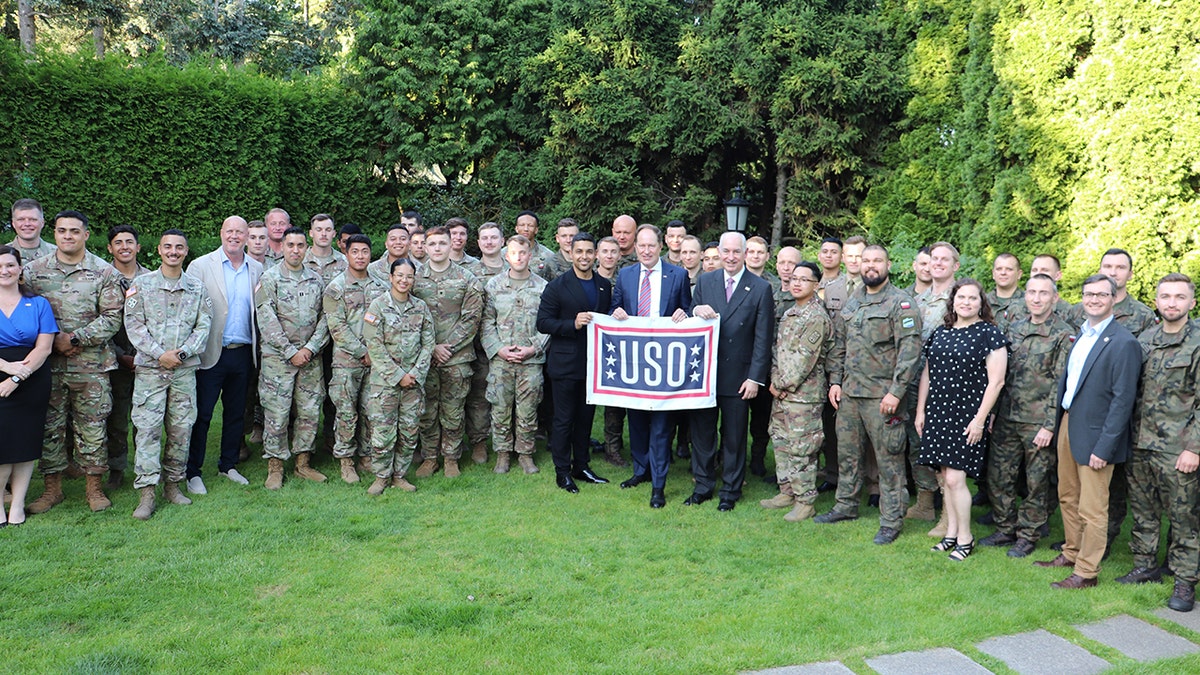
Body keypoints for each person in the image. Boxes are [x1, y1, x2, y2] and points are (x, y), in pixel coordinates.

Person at [1034, 274, 1141, 589]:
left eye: (1101, 294)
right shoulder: (1082, 335)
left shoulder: (1124, 342)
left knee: (1093, 507)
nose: (1094, 299)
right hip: (1069, 422)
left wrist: (1105, 447)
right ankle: (1071, 551)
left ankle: (1087, 572)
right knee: (1068, 495)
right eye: (1089, 294)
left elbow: (1123, 401)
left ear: (1113, 298)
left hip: (1097, 435)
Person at [816, 244, 922, 544]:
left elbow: (909, 353)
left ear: (888, 265)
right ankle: (846, 505)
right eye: (866, 261)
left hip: (883, 398)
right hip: (850, 394)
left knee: (889, 461)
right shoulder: (854, 301)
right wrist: (835, 382)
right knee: (848, 455)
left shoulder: (901, 303)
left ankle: (891, 520)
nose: (870, 266)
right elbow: (838, 345)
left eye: (877, 261)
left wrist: (896, 392)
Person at [24, 211, 124, 514]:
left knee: (92, 426)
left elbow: (113, 317)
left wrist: (76, 338)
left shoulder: (104, 272)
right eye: (62, 230)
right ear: (54, 233)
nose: (68, 236)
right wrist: (51, 340)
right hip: (46, 364)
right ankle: (52, 489)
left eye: (74, 231)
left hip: (90, 366)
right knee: (50, 427)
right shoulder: (32, 271)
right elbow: (20, 307)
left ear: (86, 235)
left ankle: (93, 488)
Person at [979, 274, 1074, 558]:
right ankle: (1005, 528)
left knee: (1037, 482)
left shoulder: (1063, 334)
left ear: (1054, 298)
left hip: (1038, 422)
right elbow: (1000, 375)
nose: (1036, 298)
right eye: (1031, 292)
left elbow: (1062, 384)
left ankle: (1028, 534)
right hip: (1008, 416)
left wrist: (1049, 425)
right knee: (999, 476)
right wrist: (994, 412)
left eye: (1043, 293)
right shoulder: (1013, 328)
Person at [1121, 273, 1200, 611]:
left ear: (1192, 302)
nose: (1172, 303)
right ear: (1156, 301)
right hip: (1140, 442)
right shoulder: (1146, 339)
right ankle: (1145, 565)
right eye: (1165, 296)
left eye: (1179, 297)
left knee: (1184, 516)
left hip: (1178, 447)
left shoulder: (1197, 342)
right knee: (1143, 510)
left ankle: (1184, 581)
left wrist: (1194, 448)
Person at [915, 279, 1008, 560]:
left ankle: (966, 538)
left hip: (967, 416)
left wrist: (980, 420)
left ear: (982, 303)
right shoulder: (940, 333)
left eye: (972, 298)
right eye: (961, 297)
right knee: (944, 477)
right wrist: (921, 411)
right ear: (952, 301)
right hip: (938, 412)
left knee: (956, 478)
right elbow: (927, 374)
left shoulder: (989, 334)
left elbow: (997, 382)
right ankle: (951, 534)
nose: (966, 302)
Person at [123, 230, 213, 520]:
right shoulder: (142, 285)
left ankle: (173, 485)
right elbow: (134, 325)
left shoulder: (197, 288)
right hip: (151, 370)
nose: (173, 252)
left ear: (186, 252)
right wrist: (159, 354)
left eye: (179, 247)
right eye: (168, 247)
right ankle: (147, 493)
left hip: (183, 372)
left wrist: (182, 354)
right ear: (159, 251)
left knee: (181, 429)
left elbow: (204, 326)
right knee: (147, 430)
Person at [687, 232, 774, 511]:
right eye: (726, 251)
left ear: (746, 253)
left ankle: (730, 491)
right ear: (719, 252)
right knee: (702, 434)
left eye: (737, 252)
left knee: (735, 437)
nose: (731, 257)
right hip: (706, 375)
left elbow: (763, 338)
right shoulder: (705, 281)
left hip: (740, 377)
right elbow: (691, 323)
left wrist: (755, 378)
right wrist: (695, 310)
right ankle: (702, 486)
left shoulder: (760, 288)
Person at [609, 225, 692, 508]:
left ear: (661, 247)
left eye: (651, 246)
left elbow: (689, 312)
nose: (645, 251)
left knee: (660, 426)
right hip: (635, 365)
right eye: (641, 246)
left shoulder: (678, 275)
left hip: (665, 366)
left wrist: (686, 314)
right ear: (635, 248)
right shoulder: (626, 275)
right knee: (637, 422)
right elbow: (614, 310)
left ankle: (659, 485)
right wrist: (615, 312)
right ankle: (640, 471)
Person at [185, 216, 262, 493]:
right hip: (210, 352)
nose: (234, 236)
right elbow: (189, 309)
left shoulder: (257, 268)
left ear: (247, 236)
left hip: (242, 353)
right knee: (202, 414)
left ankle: (228, 464)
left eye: (240, 232)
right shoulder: (201, 266)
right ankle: (192, 471)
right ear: (221, 233)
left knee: (235, 414)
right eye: (229, 231)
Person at [536, 232, 613, 493]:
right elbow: (543, 323)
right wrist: (572, 323)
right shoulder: (557, 286)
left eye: (589, 252)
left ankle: (582, 465)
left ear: (595, 254)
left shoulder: (604, 285)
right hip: (565, 365)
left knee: (585, 418)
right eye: (579, 251)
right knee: (563, 419)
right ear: (571, 252)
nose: (584, 256)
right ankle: (562, 471)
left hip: (593, 366)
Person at [256, 227, 329, 489]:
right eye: (291, 245)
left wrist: (309, 349)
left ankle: (303, 463)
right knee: (277, 412)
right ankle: (275, 466)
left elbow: (326, 318)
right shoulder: (269, 278)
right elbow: (266, 319)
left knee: (309, 412)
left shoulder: (316, 280)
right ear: (282, 248)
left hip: (310, 359)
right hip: (278, 360)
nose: (295, 250)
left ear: (306, 248)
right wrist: (290, 352)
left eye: (300, 245)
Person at [411, 226, 486, 478]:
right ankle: (430, 457)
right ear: (424, 247)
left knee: (453, 410)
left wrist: (447, 347)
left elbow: (472, 318)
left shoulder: (467, 279)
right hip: (424, 357)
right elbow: (409, 317)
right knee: (427, 410)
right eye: (432, 245)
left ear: (450, 244)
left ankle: (452, 457)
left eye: (442, 243)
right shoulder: (414, 278)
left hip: (457, 357)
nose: (438, 249)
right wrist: (431, 348)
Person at [760, 262, 832, 522]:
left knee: (802, 447)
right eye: (793, 279)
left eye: (804, 279)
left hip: (804, 395)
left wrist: (781, 384)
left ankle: (805, 500)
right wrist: (775, 380)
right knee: (780, 440)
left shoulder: (816, 317)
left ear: (816, 285)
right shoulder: (790, 313)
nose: (797, 283)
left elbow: (805, 359)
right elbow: (778, 352)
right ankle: (787, 490)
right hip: (782, 392)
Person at [362, 259, 435, 494]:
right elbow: (375, 346)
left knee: (408, 430)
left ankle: (399, 475)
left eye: (409, 276)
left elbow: (428, 342)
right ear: (391, 277)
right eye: (400, 276)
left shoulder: (421, 307)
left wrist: (414, 373)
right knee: (383, 431)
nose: (404, 280)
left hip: (413, 383)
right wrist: (397, 375)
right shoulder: (378, 306)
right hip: (385, 384)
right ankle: (381, 476)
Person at [481, 235, 550, 475]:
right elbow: (487, 323)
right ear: (506, 256)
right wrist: (498, 348)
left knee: (528, 409)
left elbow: (547, 325)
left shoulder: (542, 287)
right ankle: (502, 454)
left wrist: (533, 348)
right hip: (501, 360)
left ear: (530, 256)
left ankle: (525, 453)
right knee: (500, 407)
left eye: (523, 253)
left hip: (530, 360)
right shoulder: (493, 286)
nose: (519, 257)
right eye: (514, 253)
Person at [323, 234, 388, 483]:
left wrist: (376, 353)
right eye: (355, 252)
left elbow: (385, 323)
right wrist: (363, 352)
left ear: (371, 254)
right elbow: (336, 327)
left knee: (372, 410)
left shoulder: (381, 286)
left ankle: (367, 455)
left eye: (364, 251)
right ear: (346, 254)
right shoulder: (336, 288)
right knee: (347, 413)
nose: (360, 256)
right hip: (346, 362)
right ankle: (346, 461)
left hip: (376, 362)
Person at [0, 245, 57, 526]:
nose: (5, 270)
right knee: (1, 445)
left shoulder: (38, 304)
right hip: (1, 372)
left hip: (32, 377)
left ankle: (18, 505)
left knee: (24, 444)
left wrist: (17, 376)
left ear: (20, 268)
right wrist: (7, 369)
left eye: (10, 265)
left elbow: (44, 347)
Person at [907, 242, 960, 530]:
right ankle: (925, 502)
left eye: (944, 259)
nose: (937, 264)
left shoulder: (960, 298)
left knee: (942, 451)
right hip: (914, 380)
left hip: (945, 386)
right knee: (918, 445)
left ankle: (947, 515)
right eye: (933, 259)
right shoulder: (919, 298)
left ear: (955, 266)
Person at [105, 225, 150, 490]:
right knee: (118, 420)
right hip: (115, 359)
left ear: (138, 247)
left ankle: (145, 468)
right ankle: (117, 468)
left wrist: (145, 354)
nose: (124, 247)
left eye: (129, 242)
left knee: (146, 420)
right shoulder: (103, 278)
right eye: (118, 242)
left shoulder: (150, 278)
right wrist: (121, 356)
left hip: (147, 360)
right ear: (110, 247)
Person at [464, 222, 509, 465]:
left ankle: (510, 443)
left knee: (508, 397)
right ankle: (479, 442)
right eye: (485, 238)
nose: (490, 242)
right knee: (479, 396)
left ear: (503, 241)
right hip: (480, 347)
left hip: (510, 347)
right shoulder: (470, 272)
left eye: (494, 237)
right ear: (479, 243)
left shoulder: (515, 267)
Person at [595, 236, 630, 468]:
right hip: (593, 346)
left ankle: (614, 448)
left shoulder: (626, 279)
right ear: (597, 254)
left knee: (618, 401)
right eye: (604, 251)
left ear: (620, 255)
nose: (609, 255)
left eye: (613, 252)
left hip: (620, 348)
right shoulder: (587, 277)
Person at [988, 253, 1027, 333]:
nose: (1003, 273)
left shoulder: (1029, 302)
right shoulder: (981, 302)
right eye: (999, 269)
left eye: (1009, 269)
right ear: (993, 273)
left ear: (1019, 274)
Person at [7, 198, 56, 263]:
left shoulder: (58, 254)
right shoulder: (3, 254)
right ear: (13, 223)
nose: (27, 224)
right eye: (21, 219)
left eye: (33, 219)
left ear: (42, 223)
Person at [513, 212, 557, 281]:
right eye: (522, 225)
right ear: (516, 228)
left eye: (530, 225)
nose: (526, 229)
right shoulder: (504, 254)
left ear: (536, 230)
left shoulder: (548, 256)